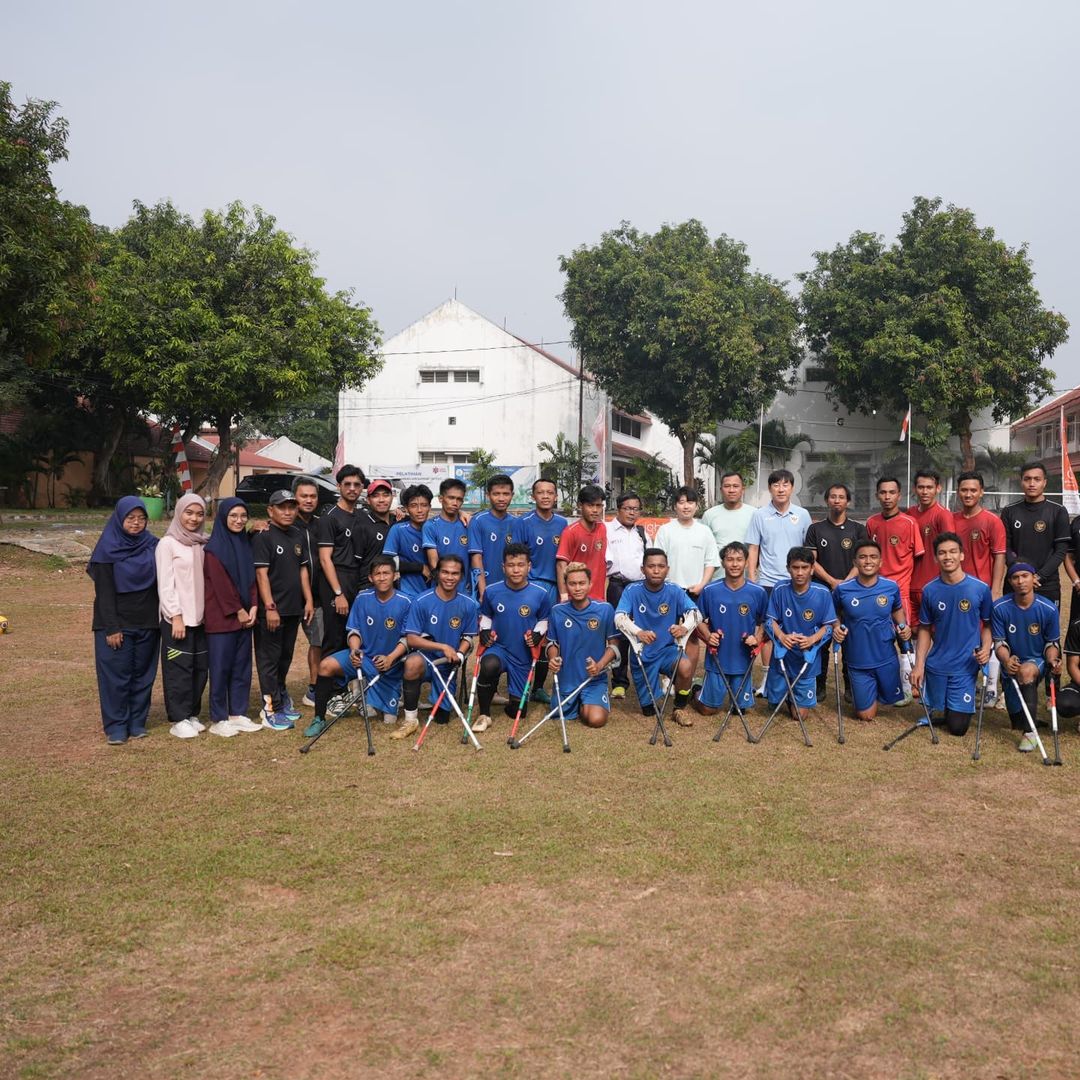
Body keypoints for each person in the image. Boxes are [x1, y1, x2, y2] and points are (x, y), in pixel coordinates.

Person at [306, 555, 411, 738]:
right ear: (370, 578)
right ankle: (319, 718)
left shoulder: (407, 602)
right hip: (363, 658)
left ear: (395, 576)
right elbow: (354, 631)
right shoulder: (362, 598)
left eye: (386, 573)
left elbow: (408, 638)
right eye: (377, 574)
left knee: (389, 721)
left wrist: (391, 658)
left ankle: (379, 695)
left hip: (390, 664)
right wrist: (355, 649)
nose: (382, 577)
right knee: (325, 666)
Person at [87, 496, 160, 744]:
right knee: (115, 677)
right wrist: (112, 627)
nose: (137, 523)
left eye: (141, 518)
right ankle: (116, 726)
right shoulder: (107, 549)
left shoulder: (152, 544)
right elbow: (104, 592)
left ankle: (137, 722)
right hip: (116, 624)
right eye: (131, 518)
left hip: (148, 621)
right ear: (120, 518)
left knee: (143, 675)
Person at [910, 532, 993, 737]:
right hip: (937, 664)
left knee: (957, 728)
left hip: (965, 665)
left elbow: (989, 625)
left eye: (953, 552)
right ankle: (940, 703)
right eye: (942, 553)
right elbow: (924, 629)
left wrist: (985, 649)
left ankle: (954, 705)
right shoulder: (929, 590)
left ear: (962, 555)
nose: (948, 557)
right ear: (936, 558)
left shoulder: (980, 589)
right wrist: (919, 664)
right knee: (939, 715)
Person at [392, 554, 479, 741]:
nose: (450, 577)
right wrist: (442, 646)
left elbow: (468, 638)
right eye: (445, 572)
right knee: (412, 663)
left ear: (461, 576)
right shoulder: (421, 600)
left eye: (455, 573)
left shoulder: (469, 604)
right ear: (438, 573)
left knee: (442, 718)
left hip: (448, 665)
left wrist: (460, 653)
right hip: (426, 659)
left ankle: (441, 702)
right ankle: (410, 720)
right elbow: (412, 639)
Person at [472, 542, 552, 733]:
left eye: (521, 565)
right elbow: (486, 616)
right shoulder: (492, 591)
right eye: (511, 565)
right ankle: (484, 714)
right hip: (499, 648)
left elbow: (544, 619)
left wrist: (538, 633)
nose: (516, 570)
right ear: (503, 567)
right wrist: (484, 630)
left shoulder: (540, 594)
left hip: (522, 655)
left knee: (519, 711)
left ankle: (510, 699)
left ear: (529, 567)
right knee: (489, 664)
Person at [614, 548, 698, 727]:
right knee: (649, 711)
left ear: (667, 569)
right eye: (651, 566)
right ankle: (653, 697)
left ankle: (679, 707)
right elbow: (619, 617)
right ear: (643, 569)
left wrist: (684, 627)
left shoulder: (674, 590)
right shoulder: (632, 590)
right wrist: (638, 632)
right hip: (643, 654)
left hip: (667, 650)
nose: (656, 570)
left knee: (685, 666)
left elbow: (695, 613)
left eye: (661, 566)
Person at [253, 490, 315, 730]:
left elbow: (302, 571)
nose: (288, 512)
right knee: (268, 660)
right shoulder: (263, 536)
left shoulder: (297, 534)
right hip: (271, 613)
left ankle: (280, 702)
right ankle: (269, 709)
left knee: (284, 659)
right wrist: (269, 607)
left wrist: (308, 600)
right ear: (270, 510)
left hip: (293, 610)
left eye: (292, 507)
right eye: (282, 507)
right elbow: (261, 574)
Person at [746, 469, 811, 693]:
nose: (781, 489)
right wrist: (753, 579)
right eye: (776, 485)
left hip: (796, 583)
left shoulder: (802, 515)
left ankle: (793, 676)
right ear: (770, 488)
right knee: (768, 631)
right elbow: (753, 548)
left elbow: (807, 551)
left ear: (792, 488)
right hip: (767, 582)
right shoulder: (759, 515)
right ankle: (766, 679)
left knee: (795, 628)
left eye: (785, 485)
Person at [831, 540, 911, 721]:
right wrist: (836, 627)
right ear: (855, 562)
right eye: (863, 557)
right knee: (866, 716)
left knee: (891, 700)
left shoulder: (891, 586)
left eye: (873, 557)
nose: (868, 561)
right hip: (857, 658)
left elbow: (897, 608)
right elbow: (833, 612)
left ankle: (879, 687)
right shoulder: (843, 589)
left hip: (885, 655)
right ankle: (865, 690)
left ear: (881, 562)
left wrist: (903, 625)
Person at [203, 497, 262, 736]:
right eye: (233, 516)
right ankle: (219, 717)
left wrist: (255, 606)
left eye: (242, 516)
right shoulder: (214, 549)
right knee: (220, 668)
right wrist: (238, 610)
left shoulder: (244, 544)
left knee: (242, 667)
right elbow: (221, 585)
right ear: (223, 518)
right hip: (223, 618)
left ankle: (237, 713)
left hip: (245, 617)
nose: (239, 520)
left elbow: (251, 579)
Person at [155, 492, 211, 739]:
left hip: (201, 619)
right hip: (178, 619)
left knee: (200, 668)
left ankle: (191, 714)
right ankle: (178, 718)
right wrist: (175, 615)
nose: (194, 518)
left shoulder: (202, 542)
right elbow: (165, 583)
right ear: (179, 513)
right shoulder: (168, 544)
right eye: (189, 512)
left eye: (199, 514)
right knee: (179, 669)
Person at [692, 541, 767, 720]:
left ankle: (737, 697)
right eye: (730, 559)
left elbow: (767, 621)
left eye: (739, 560)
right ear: (723, 562)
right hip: (717, 658)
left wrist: (756, 638)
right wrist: (709, 636)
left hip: (743, 660)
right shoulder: (710, 590)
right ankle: (696, 691)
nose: (734, 564)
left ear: (747, 562)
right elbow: (697, 618)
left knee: (740, 710)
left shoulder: (758, 592)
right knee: (708, 710)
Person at [991, 562, 1062, 752]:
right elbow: (999, 643)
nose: (1021, 581)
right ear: (1010, 581)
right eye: (1015, 577)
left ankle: (1030, 734)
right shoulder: (999, 608)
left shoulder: (1048, 609)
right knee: (1017, 721)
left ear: (1034, 579)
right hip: (1010, 666)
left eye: (1025, 576)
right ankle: (1029, 721)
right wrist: (1006, 660)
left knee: (1026, 671)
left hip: (1035, 662)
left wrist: (1052, 660)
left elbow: (1052, 644)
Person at [952, 470, 1008, 707]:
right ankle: (969, 682)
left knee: (989, 635)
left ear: (981, 492)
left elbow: (999, 557)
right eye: (964, 490)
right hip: (957, 591)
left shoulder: (992, 521)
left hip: (983, 591)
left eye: (973, 490)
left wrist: (995, 590)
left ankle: (991, 687)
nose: (968, 494)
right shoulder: (951, 520)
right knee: (965, 636)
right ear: (957, 492)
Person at [764, 547, 837, 724]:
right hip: (784, 656)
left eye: (804, 568)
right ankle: (784, 693)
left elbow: (829, 626)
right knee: (773, 704)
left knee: (800, 716)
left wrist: (811, 639)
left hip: (806, 659)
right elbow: (770, 621)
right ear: (788, 568)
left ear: (812, 569)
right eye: (795, 567)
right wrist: (782, 637)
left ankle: (793, 696)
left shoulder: (823, 593)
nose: (799, 572)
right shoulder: (780, 588)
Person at [546, 563, 619, 727]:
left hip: (593, 679)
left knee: (596, 720)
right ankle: (579, 702)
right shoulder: (557, 610)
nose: (577, 588)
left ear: (590, 584)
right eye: (572, 584)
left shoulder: (605, 609)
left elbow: (614, 645)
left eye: (582, 583)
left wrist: (599, 665)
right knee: (559, 715)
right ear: (566, 586)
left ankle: (589, 701)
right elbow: (552, 643)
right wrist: (553, 658)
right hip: (567, 679)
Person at [521, 478, 568, 705]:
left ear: (556, 496)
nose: (546, 496)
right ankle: (520, 684)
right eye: (541, 492)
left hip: (555, 587)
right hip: (531, 585)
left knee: (546, 636)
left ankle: (538, 686)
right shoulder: (525, 522)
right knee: (526, 635)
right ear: (533, 496)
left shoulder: (562, 522)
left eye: (550, 492)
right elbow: (517, 556)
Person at [1002, 461, 1070, 607]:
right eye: (1027, 479)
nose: (1031, 483)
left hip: (1046, 584)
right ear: (1021, 481)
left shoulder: (1058, 511)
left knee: (1045, 629)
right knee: (1014, 628)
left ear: (1044, 482)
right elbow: (1005, 547)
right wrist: (1020, 574)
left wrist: (1038, 576)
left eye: (1037, 479)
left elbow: (1060, 551)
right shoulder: (1009, 511)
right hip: (1016, 582)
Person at [318, 465, 366, 654]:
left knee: (353, 632)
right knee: (334, 636)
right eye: (347, 484)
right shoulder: (329, 518)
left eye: (357, 484)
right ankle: (326, 683)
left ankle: (347, 682)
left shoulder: (361, 516)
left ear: (362, 487)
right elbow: (324, 559)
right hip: (336, 578)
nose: (352, 488)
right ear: (339, 486)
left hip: (356, 578)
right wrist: (338, 593)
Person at [604, 491, 647, 699]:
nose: (632, 513)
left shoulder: (641, 532)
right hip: (617, 586)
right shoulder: (607, 530)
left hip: (639, 588)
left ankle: (643, 679)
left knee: (640, 632)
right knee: (619, 632)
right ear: (618, 509)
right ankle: (619, 682)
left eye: (636, 509)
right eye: (628, 508)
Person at [866, 476, 923, 622]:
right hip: (874, 589)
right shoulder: (871, 522)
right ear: (876, 495)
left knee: (903, 638)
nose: (887, 497)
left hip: (900, 592)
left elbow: (918, 559)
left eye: (892, 492)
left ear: (899, 495)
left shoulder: (910, 523)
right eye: (883, 492)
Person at [907, 469, 954, 629]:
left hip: (934, 585)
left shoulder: (943, 515)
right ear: (914, 489)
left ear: (938, 488)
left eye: (929, 487)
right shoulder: (910, 513)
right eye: (921, 487)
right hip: (910, 585)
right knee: (913, 632)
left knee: (936, 631)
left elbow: (950, 551)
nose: (925, 491)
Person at [292, 476, 324, 707]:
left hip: (317, 595)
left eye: (313, 496)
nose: (309, 500)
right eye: (304, 496)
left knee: (318, 641)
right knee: (281, 650)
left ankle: (314, 688)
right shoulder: (285, 522)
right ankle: (275, 695)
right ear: (295, 496)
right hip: (288, 597)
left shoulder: (322, 524)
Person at [468, 473, 525, 601]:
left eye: (505, 494)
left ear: (512, 495)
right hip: (488, 586)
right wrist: (483, 591)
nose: (501, 498)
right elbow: (476, 557)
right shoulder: (478, 521)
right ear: (488, 496)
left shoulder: (517, 522)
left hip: (512, 588)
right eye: (496, 494)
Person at [556, 484, 608, 602]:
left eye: (598, 506)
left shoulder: (603, 528)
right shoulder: (570, 532)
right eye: (590, 505)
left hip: (597, 598)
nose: (595, 510)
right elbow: (561, 566)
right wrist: (564, 595)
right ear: (580, 505)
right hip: (574, 599)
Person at [383, 484, 433, 599]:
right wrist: (419, 568)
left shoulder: (436, 529)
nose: (419, 510)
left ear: (429, 507)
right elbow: (387, 561)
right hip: (407, 594)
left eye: (424, 505)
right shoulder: (398, 530)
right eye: (414, 506)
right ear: (406, 508)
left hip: (435, 594)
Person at [423, 477, 471, 578]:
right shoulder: (430, 526)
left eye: (459, 499)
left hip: (465, 590)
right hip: (441, 586)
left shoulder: (468, 523)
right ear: (441, 499)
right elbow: (433, 562)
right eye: (451, 498)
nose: (455, 503)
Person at [702, 471, 756, 552]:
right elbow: (703, 543)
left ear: (743, 490)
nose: (731, 490)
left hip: (746, 564)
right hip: (717, 564)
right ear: (721, 490)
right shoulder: (709, 515)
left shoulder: (755, 514)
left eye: (735, 486)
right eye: (727, 486)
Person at [357, 478, 394, 582]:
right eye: (375, 496)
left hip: (393, 587)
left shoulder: (398, 523)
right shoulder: (362, 525)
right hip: (368, 586)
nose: (381, 500)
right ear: (368, 500)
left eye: (386, 495)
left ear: (392, 497)